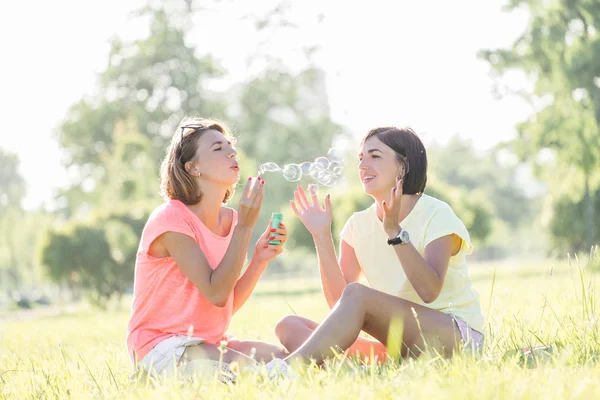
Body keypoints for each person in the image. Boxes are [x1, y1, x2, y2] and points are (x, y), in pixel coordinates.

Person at [273, 126, 484, 369]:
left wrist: (394, 232)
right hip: (399, 343)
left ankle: (285, 369)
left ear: (402, 166)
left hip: (455, 337)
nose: (363, 165)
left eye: (375, 156)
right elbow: (339, 305)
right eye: (360, 158)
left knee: (357, 294)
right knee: (288, 326)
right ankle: (352, 371)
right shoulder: (357, 225)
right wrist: (321, 237)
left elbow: (429, 291)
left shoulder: (437, 214)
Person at [127, 117, 288, 378]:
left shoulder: (231, 219)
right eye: (218, 148)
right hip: (161, 350)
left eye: (230, 145)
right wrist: (245, 228)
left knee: (287, 359)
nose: (232, 152)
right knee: (264, 373)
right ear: (193, 168)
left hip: (208, 341)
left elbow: (221, 306)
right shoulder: (171, 219)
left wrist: (259, 260)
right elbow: (216, 293)